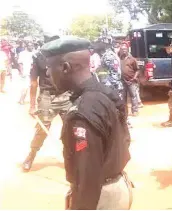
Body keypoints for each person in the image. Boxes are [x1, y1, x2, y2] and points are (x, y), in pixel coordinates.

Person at [41, 36, 133, 209]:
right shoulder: (104, 93)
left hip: (100, 197)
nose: (47, 73)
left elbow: (88, 177)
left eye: (49, 67)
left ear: (65, 67)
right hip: (117, 185)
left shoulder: (83, 111)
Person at [22, 35, 73, 172]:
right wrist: (32, 106)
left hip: (65, 96)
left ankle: (73, 159)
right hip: (47, 97)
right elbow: (33, 83)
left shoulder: (66, 57)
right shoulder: (38, 58)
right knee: (42, 129)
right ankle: (31, 156)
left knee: (71, 128)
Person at [119, 44, 140, 116]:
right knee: (123, 97)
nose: (123, 50)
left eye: (125, 49)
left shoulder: (132, 59)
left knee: (133, 96)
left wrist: (134, 78)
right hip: (122, 81)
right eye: (122, 49)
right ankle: (125, 112)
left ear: (127, 50)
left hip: (131, 81)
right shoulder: (119, 59)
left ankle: (135, 111)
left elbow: (137, 70)